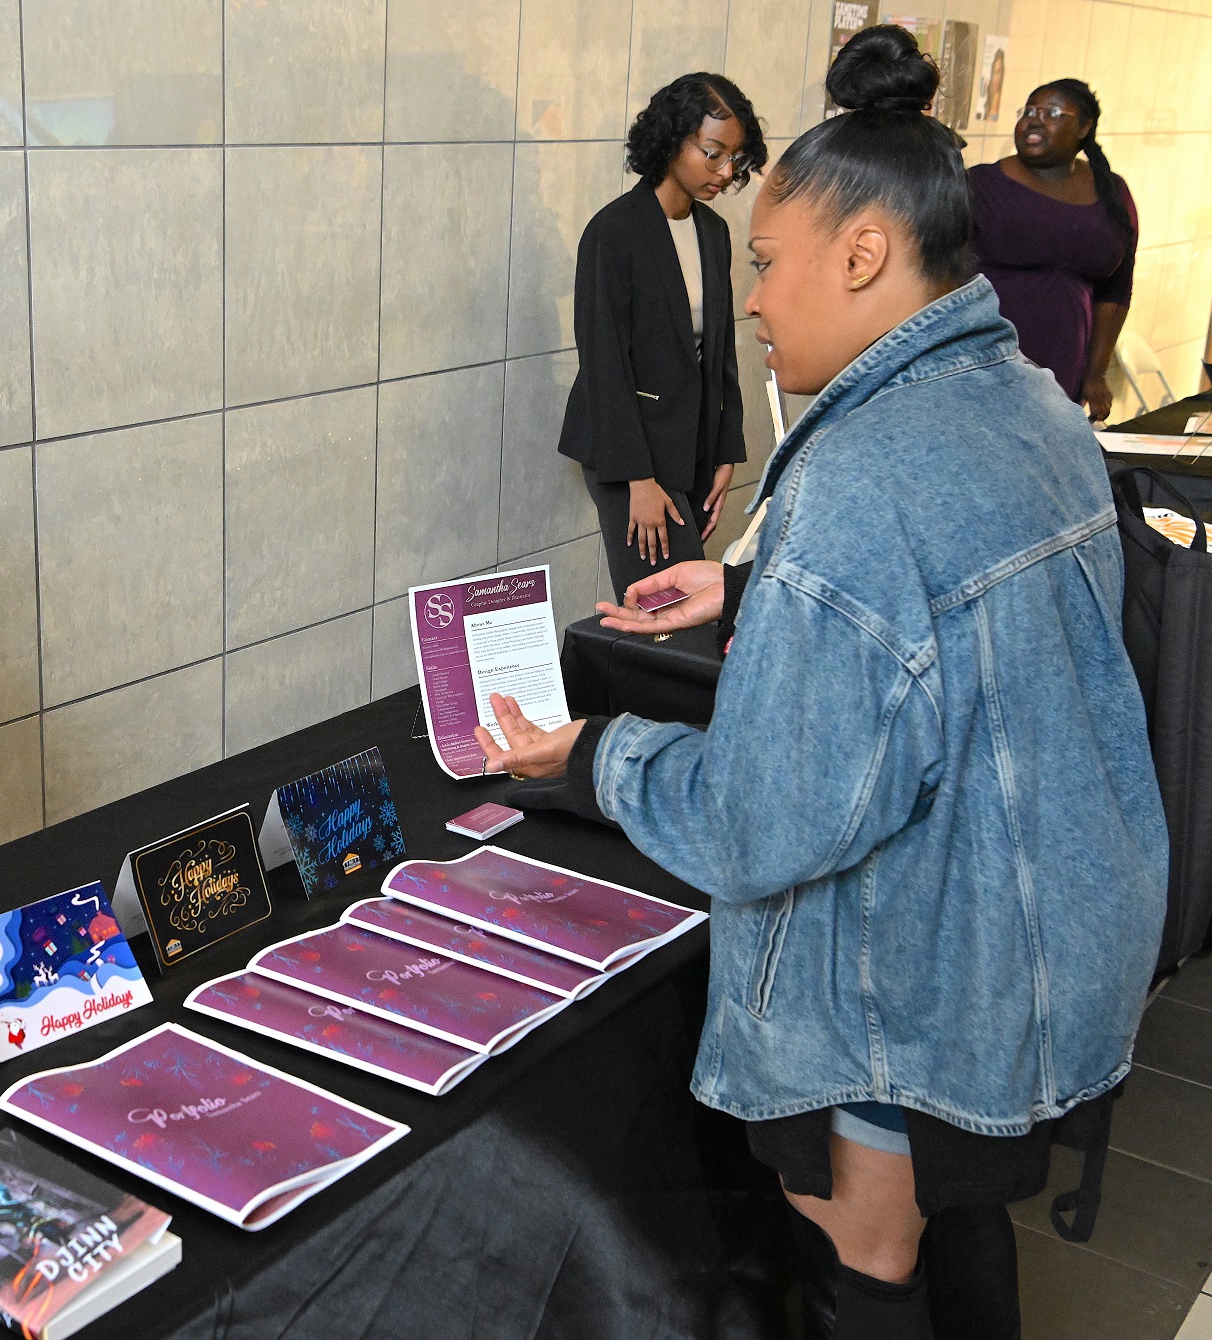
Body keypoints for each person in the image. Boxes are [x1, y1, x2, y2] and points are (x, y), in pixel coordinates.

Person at [479, 27, 1165, 1340]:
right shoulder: (1030, 402)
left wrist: (593, 754)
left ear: (860, 254)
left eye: (765, 262)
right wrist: (752, 585)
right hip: (1035, 941)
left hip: (910, 971)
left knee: (866, 1253)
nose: (751, 301)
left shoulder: (856, 480)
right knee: (951, 1232)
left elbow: (763, 817)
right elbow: (959, 612)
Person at [557, 73, 767, 600]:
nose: (726, 172)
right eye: (713, 154)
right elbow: (603, 363)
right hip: (630, 452)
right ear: (672, 140)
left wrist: (726, 450)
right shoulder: (614, 232)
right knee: (662, 607)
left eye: (734, 158)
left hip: (693, 445)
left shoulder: (713, 232)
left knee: (678, 602)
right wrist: (639, 480)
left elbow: (720, 352)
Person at [969, 78, 1137, 421]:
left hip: (1064, 366)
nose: (1035, 121)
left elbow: (1117, 289)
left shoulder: (1112, 192)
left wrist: (1096, 373)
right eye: (1029, 111)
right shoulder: (980, 185)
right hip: (983, 361)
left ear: (1084, 127)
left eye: (1053, 113)